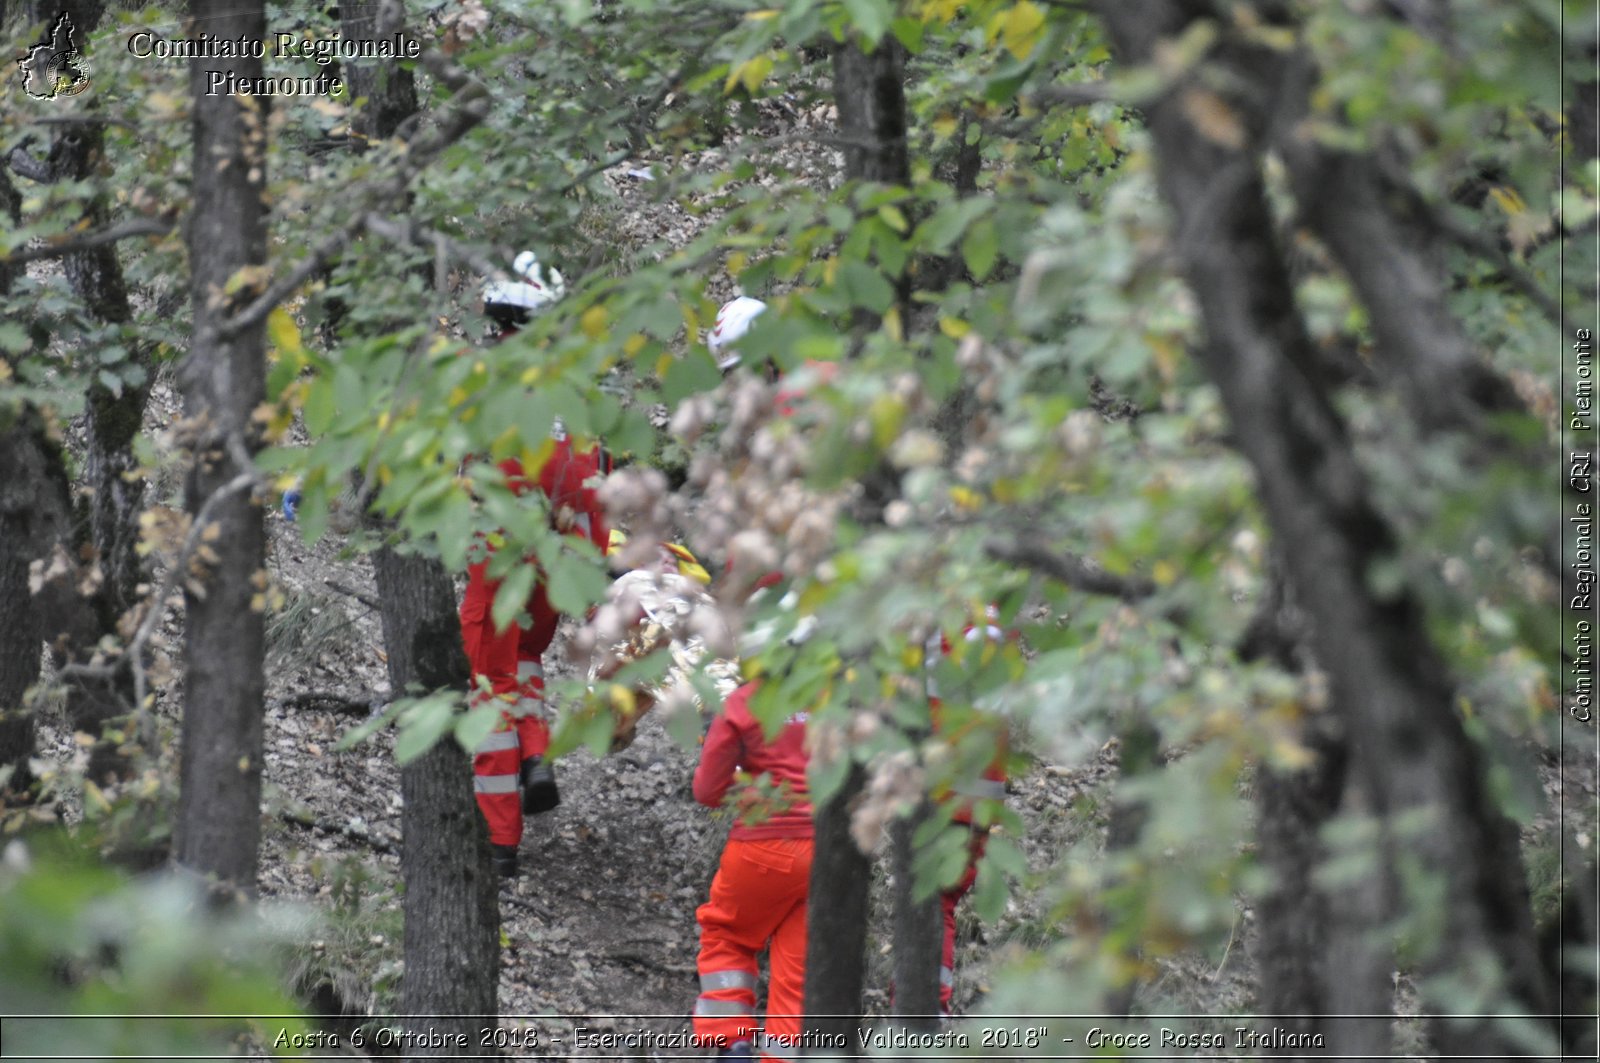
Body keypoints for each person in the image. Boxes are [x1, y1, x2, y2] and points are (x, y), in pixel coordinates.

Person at [460, 250, 611, 877]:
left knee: (489, 686)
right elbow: (598, 489)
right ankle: (537, 754)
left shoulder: (486, 384)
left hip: (497, 561)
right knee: (523, 656)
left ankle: (500, 841)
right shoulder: (579, 394)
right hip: (561, 562)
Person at [691, 680, 813, 1061]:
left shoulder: (747, 700)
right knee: (798, 972)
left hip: (764, 842)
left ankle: (730, 1042)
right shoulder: (843, 696)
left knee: (729, 935)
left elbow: (708, 791)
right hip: (833, 853)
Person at [925, 606, 1011, 1014]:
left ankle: (923, 1017)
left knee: (930, 904)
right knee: (943, 903)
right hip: (984, 797)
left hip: (943, 792)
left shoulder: (936, 624)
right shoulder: (1002, 629)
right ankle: (931, 1012)